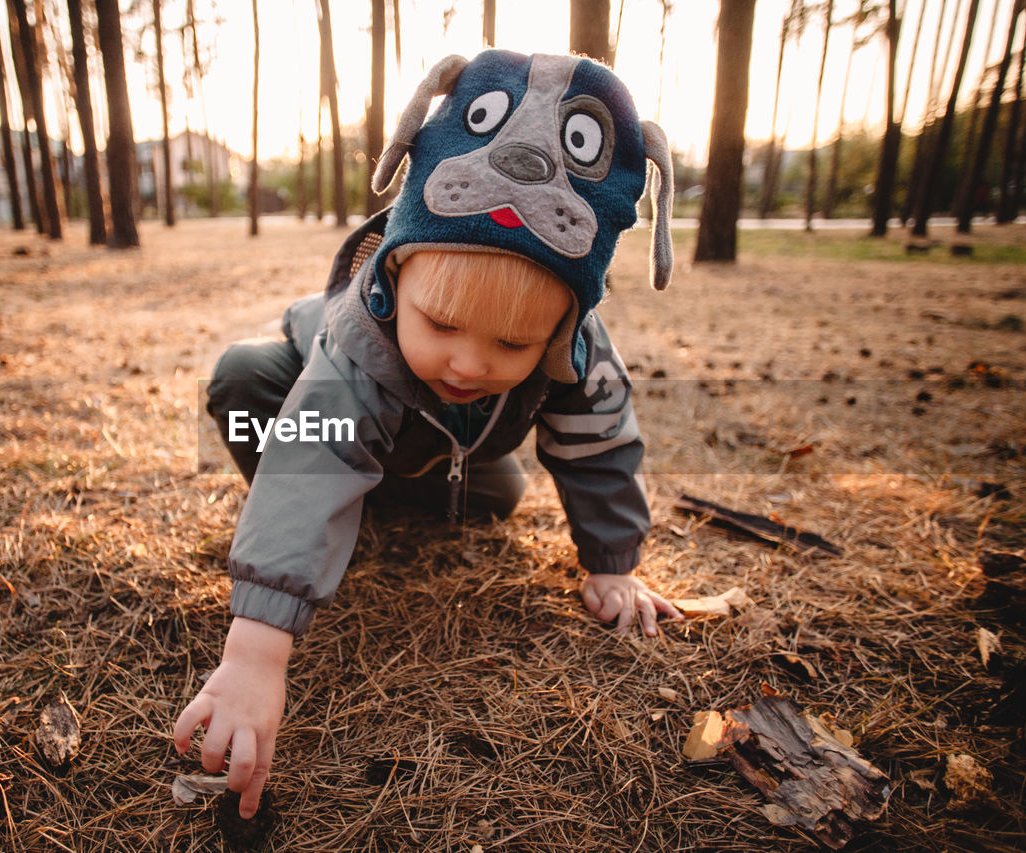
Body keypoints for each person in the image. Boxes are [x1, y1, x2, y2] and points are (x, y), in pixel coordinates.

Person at [175, 49, 681, 819]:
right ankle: (349, 508)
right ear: (397, 279)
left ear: (560, 327)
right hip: (311, 397)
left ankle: (385, 491)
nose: (470, 361)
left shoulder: (578, 343)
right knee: (244, 379)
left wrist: (612, 562)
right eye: (440, 324)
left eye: (513, 346)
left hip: (446, 445)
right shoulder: (361, 331)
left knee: (499, 494)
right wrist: (253, 654)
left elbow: (600, 441)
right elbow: (313, 452)